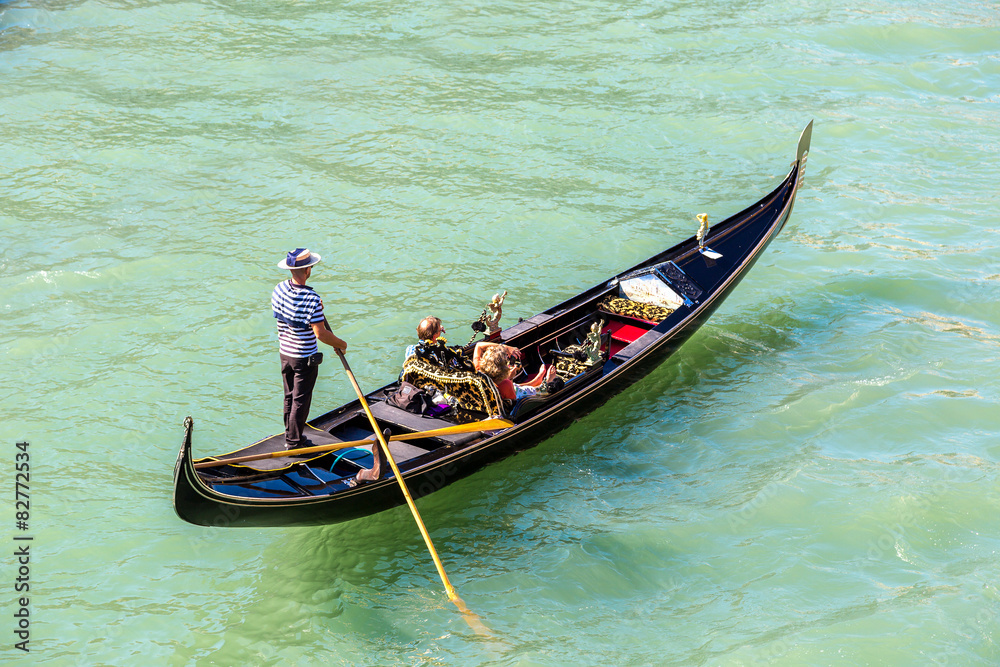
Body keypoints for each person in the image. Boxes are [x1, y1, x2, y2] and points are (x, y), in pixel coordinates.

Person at [271, 248, 347, 450]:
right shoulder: (311, 299)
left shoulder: (278, 289)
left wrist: (315, 309)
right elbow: (320, 334)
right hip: (304, 357)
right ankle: (294, 442)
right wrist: (341, 344)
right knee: (300, 400)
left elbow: (286, 315)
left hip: (285, 353)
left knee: (289, 395)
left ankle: (290, 434)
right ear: (307, 270)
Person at [475, 344, 556, 402]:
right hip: (519, 399)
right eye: (506, 361)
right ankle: (547, 381)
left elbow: (478, 345)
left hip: (500, 392)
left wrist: (505, 348)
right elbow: (514, 402)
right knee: (532, 391)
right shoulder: (506, 384)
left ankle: (536, 381)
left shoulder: (478, 370)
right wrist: (510, 378)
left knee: (515, 386)